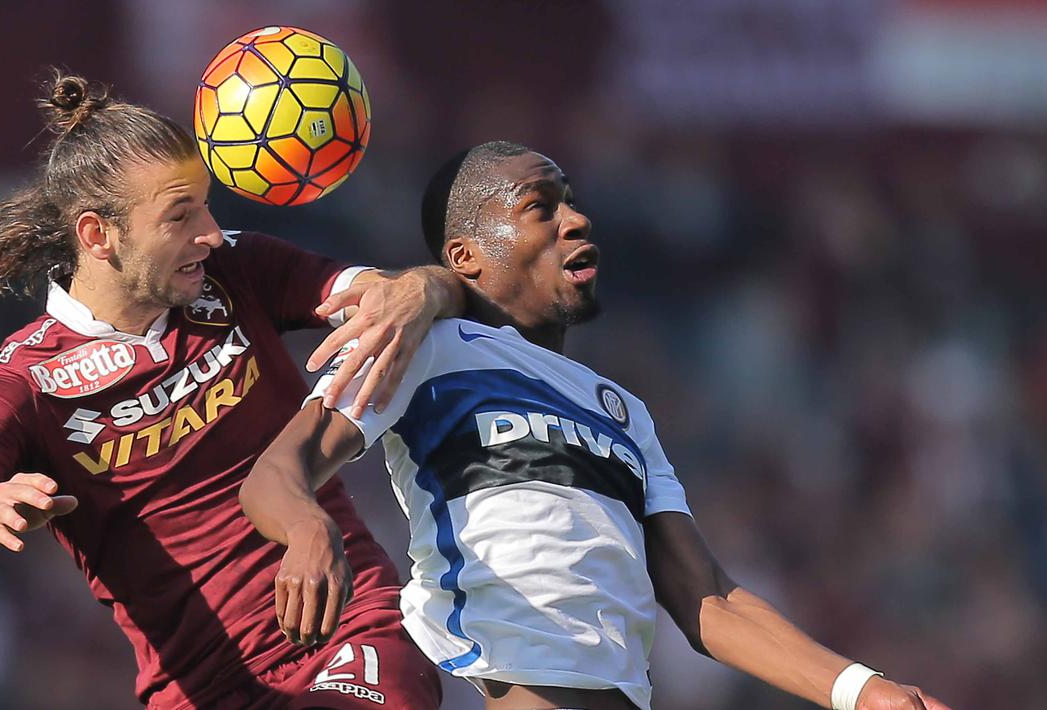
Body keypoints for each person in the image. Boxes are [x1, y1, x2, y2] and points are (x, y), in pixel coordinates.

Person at [240, 141, 954, 710]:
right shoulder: (427, 346)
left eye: (572, 204)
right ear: (465, 256)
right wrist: (307, 530)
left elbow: (704, 595)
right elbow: (275, 475)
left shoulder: (622, 409)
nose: (576, 221)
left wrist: (862, 691)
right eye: (540, 208)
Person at [0, 73, 455, 709]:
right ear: (97, 236)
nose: (210, 233)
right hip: (201, 691)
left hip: (350, 633)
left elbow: (396, 295)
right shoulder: (19, 385)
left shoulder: (239, 270)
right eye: (180, 216)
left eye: (207, 207)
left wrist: (422, 286)